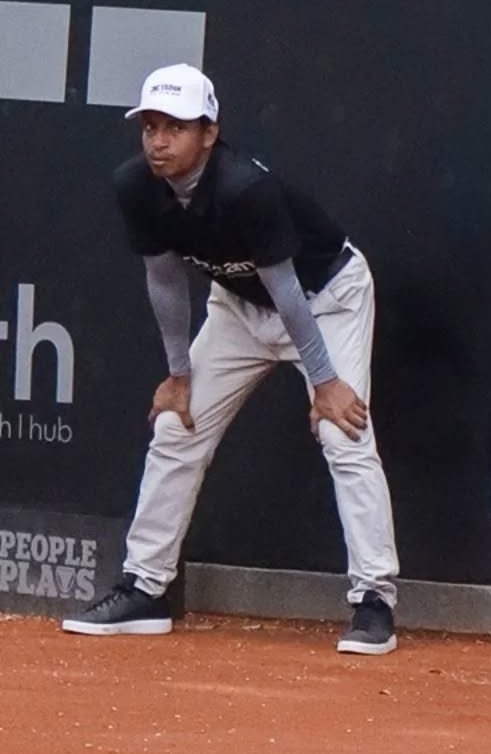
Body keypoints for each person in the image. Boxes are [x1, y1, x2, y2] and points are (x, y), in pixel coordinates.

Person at [61, 63, 400, 655]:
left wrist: (325, 382)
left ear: (209, 133)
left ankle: (374, 599)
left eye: (175, 128)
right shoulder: (136, 184)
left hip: (326, 300)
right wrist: (178, 375)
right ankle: (145, 588)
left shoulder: (247, 188)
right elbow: (165, 281)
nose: (158, 141)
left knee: (344, 433)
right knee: (176, 426)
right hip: (239, 308)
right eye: (150, 127)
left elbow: (288, 292)